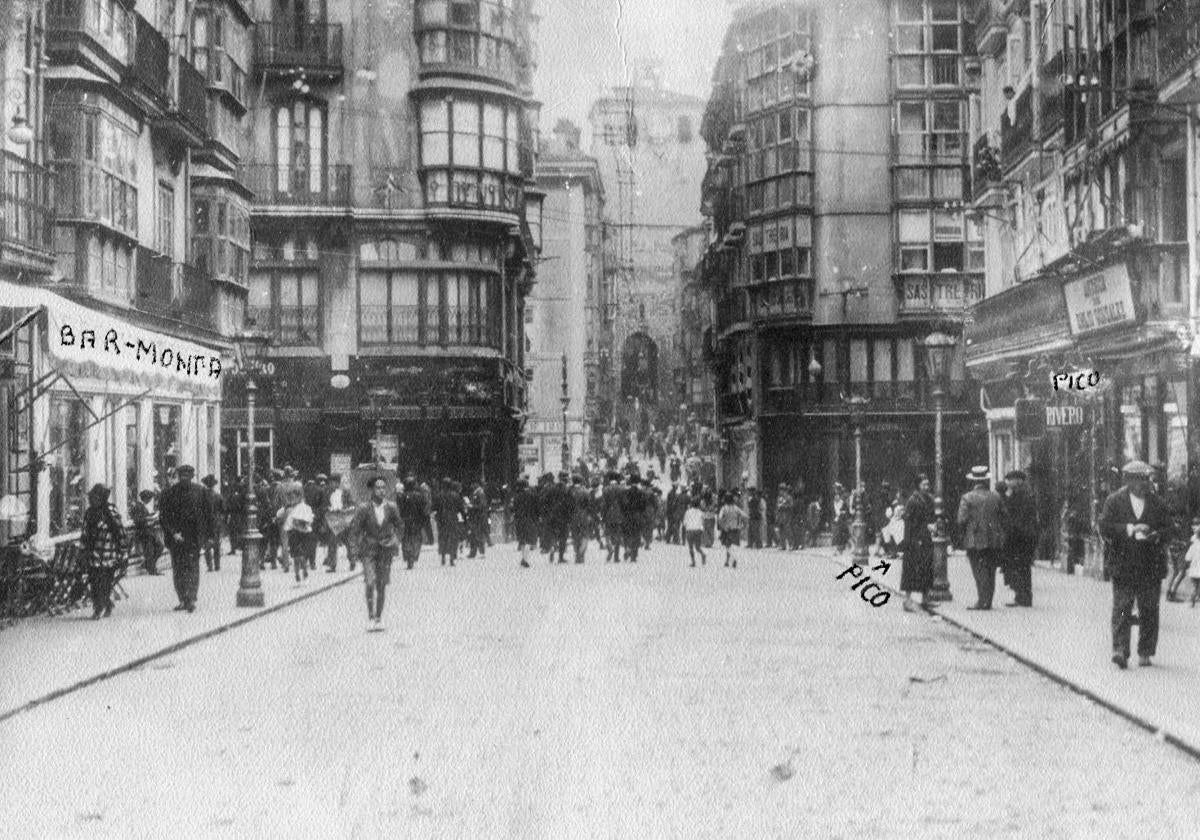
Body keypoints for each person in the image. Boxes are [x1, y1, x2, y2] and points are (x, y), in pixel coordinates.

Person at [1099, 460, 1174, 669]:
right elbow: (1105, 527)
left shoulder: (1158, 503)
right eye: (1139, 480)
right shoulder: (1114, 501)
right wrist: (1130, 529)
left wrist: (1156, 534)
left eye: (1146, 479)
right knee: (1122, 607)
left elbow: (1170, 529)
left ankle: (1146, 652)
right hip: (1123, 564)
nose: (1144, 484)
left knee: (1149, 609)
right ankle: (1120, 651)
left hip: (1151, 565)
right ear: (1128, 480)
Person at [349, 476, 403, 631]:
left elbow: (400, 526)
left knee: (381, 585)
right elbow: (354, 531)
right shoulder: (363, 509)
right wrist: (353, 550)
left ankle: (379, 617)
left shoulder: (391, 507)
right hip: (368, 550)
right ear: (371, 490)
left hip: (385, 550)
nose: (381, 490)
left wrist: (395, 540)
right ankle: (370, 617)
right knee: (370, 582)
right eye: (378, 488)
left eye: (383, 487)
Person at [159, 464, 208, 613]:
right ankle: (182, 599)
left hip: (193, 538)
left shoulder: (200, 492)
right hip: (176, 539)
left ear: (192, 477)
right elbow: (164, 516)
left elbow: (207, 516)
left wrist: (208, 537)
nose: (184, 478)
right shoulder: (169, 493)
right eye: (182, 476)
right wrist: (173, 533)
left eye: (187, 476)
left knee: (193, 568)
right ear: (179, 476)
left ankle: (191, 598)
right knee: (179, 569)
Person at [957, 466, 1007, 611]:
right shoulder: (996, 496)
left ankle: (982, 601)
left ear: (973, 481)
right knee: (990, 570)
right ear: (986, 480)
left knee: (979, 570)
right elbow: (1004, 515)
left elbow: (961, 519)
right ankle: (988, 601)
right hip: (993, 539)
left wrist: (963, 534)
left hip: (974, 539)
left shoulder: (967, 497)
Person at [80, 484, 126, 619]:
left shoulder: (111, 511)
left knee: (104, 582)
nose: (91, 500)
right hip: (93, 554)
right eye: (90, 497)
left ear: (101, 498)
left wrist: (123, 551)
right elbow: (84, 532)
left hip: (108, 554)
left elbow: (120, 532)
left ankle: (100, 608)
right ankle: (103, 605)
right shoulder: (89, 513)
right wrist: (83, 549)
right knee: (95, 582)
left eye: (94, 497)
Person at [1002, 470, 1038, 606]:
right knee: (1021, 567)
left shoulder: (1022, 495)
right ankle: (1022, 596)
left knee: (1021, 567)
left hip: (1021, 537)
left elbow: (1016, 516)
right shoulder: (1024, 493)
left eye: (1010, 480)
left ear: (1017, 480)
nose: (1008, 483)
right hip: (1023, 536)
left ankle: (1023, 597)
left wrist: (1008, 497)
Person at [899, 474, 935, 612]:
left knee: (927, 569)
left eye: (927, 484)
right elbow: (908, 521)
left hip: (926, 539)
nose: (927, 487)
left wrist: (932, 526)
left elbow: (932, 516)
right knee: (911, 571)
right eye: (924, 484)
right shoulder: (912, 501)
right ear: (918, 485)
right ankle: (907, 600)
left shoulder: (930, 499)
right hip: (914, 540)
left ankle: (925, 599)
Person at [283, 491, 316, 583]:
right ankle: (299, 573)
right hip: (299, 533)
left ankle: (301, 572)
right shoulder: (296, 508)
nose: (292, 500)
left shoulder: (301, 508)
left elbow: (293, 522)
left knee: (298, 555)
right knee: (298, 556)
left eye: (294, 498)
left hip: (297, 534)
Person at [397, 476, 428, 571]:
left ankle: (408, 556)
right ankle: (413, 556)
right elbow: (423, 509)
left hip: (406, 521)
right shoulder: (420, 496)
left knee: (406, 539)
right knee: (416, 538)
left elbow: (400, 509)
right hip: (416, 521)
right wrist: (423, 519)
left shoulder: (402, 496)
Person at [130, 489, 163, 575]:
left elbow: (145, 516)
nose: (149, 501)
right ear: (145, 498)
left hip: (149, 531)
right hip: (143, 532)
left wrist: (153, 516)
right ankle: (152, 569)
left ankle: (148, 564)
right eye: (149, 499)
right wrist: (149, 519)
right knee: (150, 550)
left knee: (160, 546)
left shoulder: (143, 506)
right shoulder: (138, 506)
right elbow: (137, 519)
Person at [434, 478, 463, 567]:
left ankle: (443, 557)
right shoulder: (455, 495)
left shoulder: (439, 495)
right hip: (453, 519)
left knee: (443, 538)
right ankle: (451, 558)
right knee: (453, 538)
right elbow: (460, 508)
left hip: (441, 519)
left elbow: (435, 507)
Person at [511, 478, 539, 568]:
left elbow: (513, 508)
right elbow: (536, 507)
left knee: (522, 540)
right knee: (529, 540)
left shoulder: (516, 496)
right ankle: (525, 559)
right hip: (530, 519)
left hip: (519, 520)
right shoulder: (532, 495)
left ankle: (523, 557)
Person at [717, 492, 748, 568]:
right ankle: (730, 560)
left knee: (728, 546)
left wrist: (722, 526)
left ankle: (730, 560)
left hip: (727, 530)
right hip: (735, 529)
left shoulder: (724, 508)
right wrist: (743, 526)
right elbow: (745, 516)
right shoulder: (735, 508)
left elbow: (720, 518)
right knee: (733, 546)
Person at [620, 474, 646, 563]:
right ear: (638, 482)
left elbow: (622, 505)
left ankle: (627, 548)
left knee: (627, 534)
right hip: (638, 516)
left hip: (627, 515)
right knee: (636, 534)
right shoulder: (641, 492)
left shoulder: (625, 492)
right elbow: (643, 506)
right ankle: (634, 555)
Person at [200, 475, 224, 572]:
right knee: (217, 544)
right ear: (214, 485)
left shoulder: (202, 496)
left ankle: (210, 566)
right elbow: (223, 510)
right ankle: (217, 565)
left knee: (207, 545)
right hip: (216, 522)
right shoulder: (218, 496)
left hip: (206, 522)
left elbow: (200, 510)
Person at [601, 471, 625, 563]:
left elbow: (603, 505)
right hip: (619, 514)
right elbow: (624, 503)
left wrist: (603, 516)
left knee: (607, 534)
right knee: (618, 535)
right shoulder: (621, 489)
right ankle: (616, 557)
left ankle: (610, 548)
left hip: (609, 514)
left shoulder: (606, 489)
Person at [569, 474, 593, 563]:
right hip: (584, 515)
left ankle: (577, 553)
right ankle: (580, 554)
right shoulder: (585, 491)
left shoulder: (569, 491)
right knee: (585, 535)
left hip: (573, 516)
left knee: (575, 536)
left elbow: (567, 505)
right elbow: (589, 505)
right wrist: (590, 515)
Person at [683, 497, 706, 567]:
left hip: (689, 530)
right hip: (698, 530)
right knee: (697, 547)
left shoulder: (687, 512)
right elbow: (703, 522)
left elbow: (685, 522)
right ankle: (702, 554)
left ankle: (693, 561)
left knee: (690, 547)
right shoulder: (701, 513)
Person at [1185, 517, 1200, 607]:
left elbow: (1188, 557)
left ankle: (1192, 601)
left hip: (1194, 567)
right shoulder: (1193, 541)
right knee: (1196, 586)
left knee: (1194, 586)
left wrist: (1187, 561)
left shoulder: (1193, 542)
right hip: (1196, 566)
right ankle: (1194, 599)